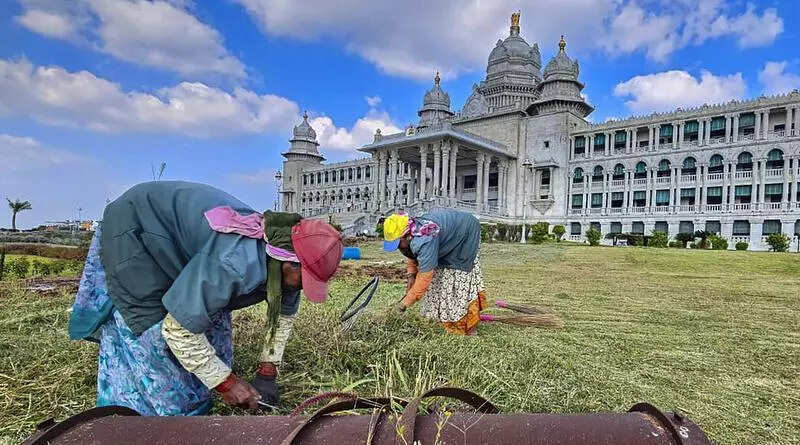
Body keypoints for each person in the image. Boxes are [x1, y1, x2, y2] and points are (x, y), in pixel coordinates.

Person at [68, 181, 343, 415]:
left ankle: (201, 390)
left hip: (192, 247)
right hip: (140, 228)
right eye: (305, 279)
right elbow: (178, 330)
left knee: (212, 325)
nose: (303, 288)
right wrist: (226, 384)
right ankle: (143, 412)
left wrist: (267, 372)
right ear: (288, 263)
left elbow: (281, 320)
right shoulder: (234, 262)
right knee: (153, 334)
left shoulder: (285, 268)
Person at [383, 209, 487, 335]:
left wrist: (403, 304)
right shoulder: (414, 231)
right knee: (437, 278)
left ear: (407, 235)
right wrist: (411, 275)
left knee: (454, 277)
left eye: (398, 244)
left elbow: (425, 277)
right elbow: (411, 253)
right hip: (446, 236)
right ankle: (438, 319)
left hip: (465, 234)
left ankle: (463, 324)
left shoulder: (424, 239)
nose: (398, 248)